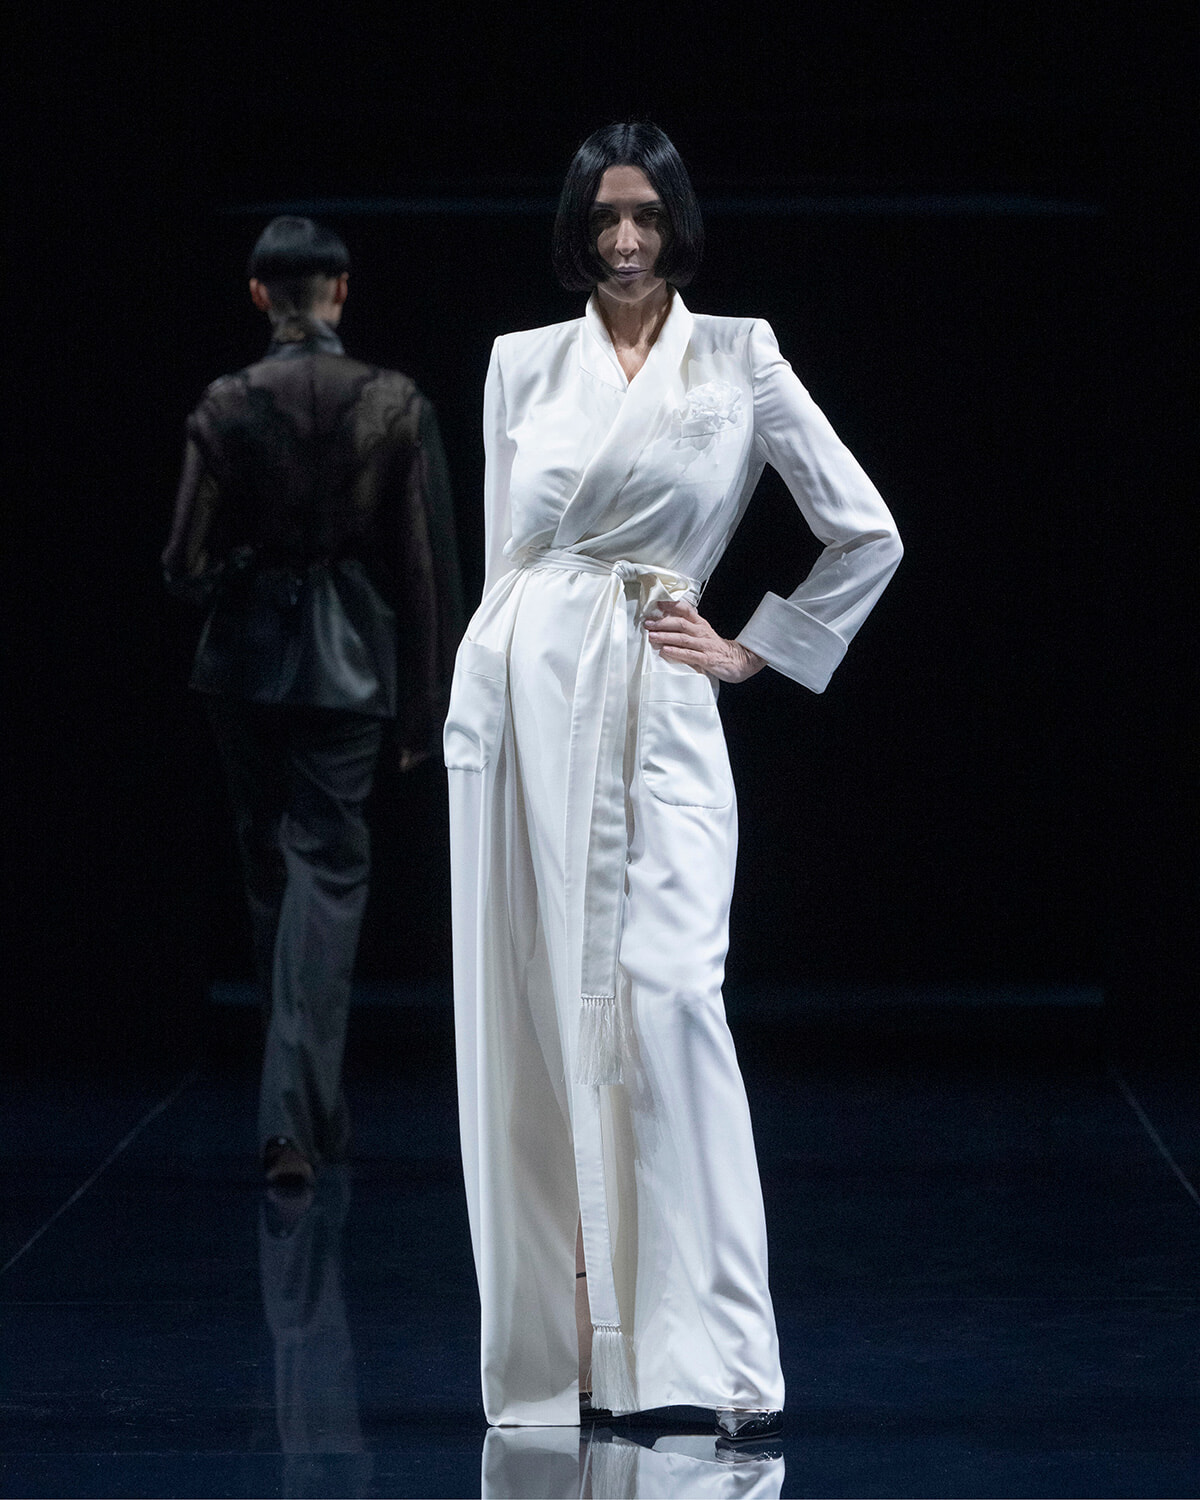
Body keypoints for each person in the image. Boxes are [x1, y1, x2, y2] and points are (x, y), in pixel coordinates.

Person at [445, 123, 902, 1434]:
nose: (628, 242)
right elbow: (504, 562)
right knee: (533, 1019)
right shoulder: (521, 367)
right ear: (579, 228)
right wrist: (480, 699)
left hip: (663, 697)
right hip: (526, 693)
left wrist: (758, 647)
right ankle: (579, 1354)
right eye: (604, 220)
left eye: (645, 216)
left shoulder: (738, 355)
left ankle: (722, 1364)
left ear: (677, 221)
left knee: (668, 999)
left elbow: (864, 527)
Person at [164, 216, 463, 1191]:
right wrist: (427, 710)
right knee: (326, 875)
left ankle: (306, 1112)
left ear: (260, 296)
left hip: (244, 660)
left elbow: (184, 565)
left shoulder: (226, 403)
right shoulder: (390, 401)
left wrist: (239, 570)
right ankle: (296, 1119)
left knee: (273, 873)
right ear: (339, 291)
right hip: (347, 664)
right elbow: (423, 570)